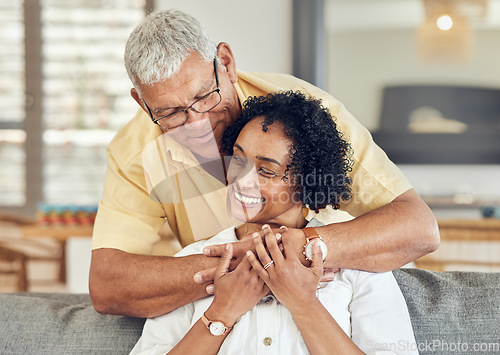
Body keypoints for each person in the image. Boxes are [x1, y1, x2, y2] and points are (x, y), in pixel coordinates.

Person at [89, 9, 439, 318]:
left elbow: (417, 227)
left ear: (225, 63)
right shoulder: (134, 153)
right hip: (229, 308)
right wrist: (249, 264)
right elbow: (107, 284)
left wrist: (294, 249)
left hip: (345, 293)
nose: (197, 123)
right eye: (171, 113)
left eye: (204, 96)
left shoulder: (307, 112)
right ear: (141, 103)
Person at [130, 91, 418, 355]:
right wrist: (222, 312)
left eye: (266, 171)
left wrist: (303, 304)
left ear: (306, 183)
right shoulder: (195, 262)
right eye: (237, 159)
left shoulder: (356, 264)